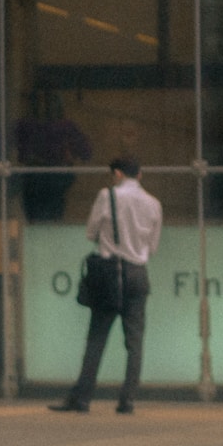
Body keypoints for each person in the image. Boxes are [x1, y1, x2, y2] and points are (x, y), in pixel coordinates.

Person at [49, 156, 162, 415]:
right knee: (135, 342)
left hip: (110, 273)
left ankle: (82, 398)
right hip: (138, 273)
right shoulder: (154, 203)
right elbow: (152, 247)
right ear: (140, 175)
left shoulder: (107, 196)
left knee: (97, 338)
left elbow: (91, 232)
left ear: (118, 174)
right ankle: (128, 399)